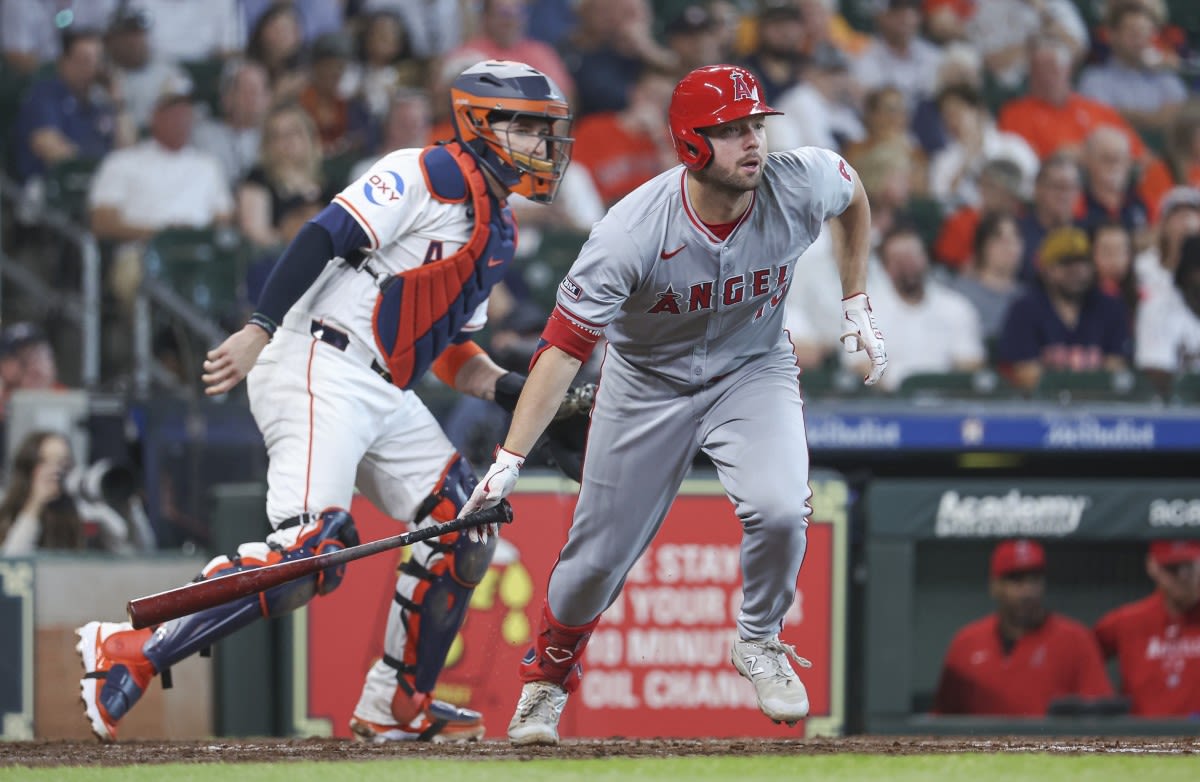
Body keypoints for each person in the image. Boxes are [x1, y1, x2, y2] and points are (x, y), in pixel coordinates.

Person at [73, 60, 576, 744]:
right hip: (316, 357)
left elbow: (452, 350)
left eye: (547, 131)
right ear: (479, 123)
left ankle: (396, 703)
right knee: (311, 555)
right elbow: (324, 234)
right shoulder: (429, 171)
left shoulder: (499, 229)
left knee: (465, 520)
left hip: (380, 386)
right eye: (528, 128)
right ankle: (126, 649)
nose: (544, 145)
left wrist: (517, 390)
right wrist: (260, 327)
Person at [456, 64, 887, 745]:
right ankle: (546, 680)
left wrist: (855, 293)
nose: (752, 142)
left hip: (752, 368)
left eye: (755, 126)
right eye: (730, 131)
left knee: (781, 509)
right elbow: (561, 350)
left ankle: (760, 641)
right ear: (690, 144)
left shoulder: (799, 179)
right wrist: (509, 458)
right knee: (595, 560)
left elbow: (853, 192)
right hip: (646, 382)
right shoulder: (630, 231)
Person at [933, 539, 1113, 716]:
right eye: (1016, 580)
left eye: (1034, 579)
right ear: (995, 586)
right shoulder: (966, 642)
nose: (1027, 591)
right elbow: (940, 722)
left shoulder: (1076, 639)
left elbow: (1099, 717)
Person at [849, 224, 983, 391]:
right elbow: (859, 364)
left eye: (913, 256)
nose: (908, 265)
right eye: (899, 259)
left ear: (926, 258)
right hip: (889, 401)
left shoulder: (957, 307)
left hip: (946, 401)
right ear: (885, 268)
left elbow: (969, 363)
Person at [997, 226, 1131, 392]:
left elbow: (1114, 370)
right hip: (1040, 410)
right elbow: (1027, 377)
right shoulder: (1024, 309)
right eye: (1066, 263)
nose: (1077, 271)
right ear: (1047, 269)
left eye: (1083, 262)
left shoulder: (1109, 308)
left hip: (1098, 406)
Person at [1094, 540, 1200, 717]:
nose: (1183, 577)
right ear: (1152, 566)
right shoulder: (1128, 621)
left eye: (1189, 567)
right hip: (1145, 738)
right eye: (1173, 569)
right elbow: (1077, 659)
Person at [0, 431, 81, 556]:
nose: (56, 471)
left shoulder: (76, 507)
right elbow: (11, 560)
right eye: (44, 461)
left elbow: (117, 543)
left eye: (62, 462)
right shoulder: (6, 506)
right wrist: (35, 503)